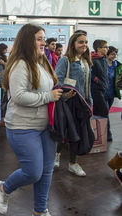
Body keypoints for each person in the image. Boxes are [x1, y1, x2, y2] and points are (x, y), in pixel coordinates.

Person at [0, 24, 62, 216]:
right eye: (38, 38)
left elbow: (47, 89)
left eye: (43, 38)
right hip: (22, 127)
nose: (43, 42)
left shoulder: (42, 62)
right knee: (33, 172)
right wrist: (49, 96)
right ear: (27, 40)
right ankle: (4, 189)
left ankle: (41, 210)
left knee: (46, 171)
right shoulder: (20, 64)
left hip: (46, 126)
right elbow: (19, 96)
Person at [55, 32, 93, 177]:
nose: (84, 45)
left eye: (86, 42)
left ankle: (72, 163)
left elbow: (87, 84)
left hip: (82, 103)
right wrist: (65, 93)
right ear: (73, 44)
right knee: (66, 132)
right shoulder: (65, 60)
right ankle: (56, 153)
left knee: (78, 133)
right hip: (69, 102)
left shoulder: (85, 61)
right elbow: (57, 79)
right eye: (81, 42)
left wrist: (89, 102)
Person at [104, 46, 121, 141]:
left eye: (115, 54)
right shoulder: (102, 64)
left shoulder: (117, 65)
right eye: (112, 54)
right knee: (105, 113)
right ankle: (108, 133)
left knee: (107, 112)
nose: (114, 56)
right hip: (103, 93)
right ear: (107, 54)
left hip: (111, 93)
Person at [91, 39, 109, 118]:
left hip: (103, 87)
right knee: (104, 110)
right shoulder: (92, 59)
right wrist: (95, 79)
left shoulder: (103, 59)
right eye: (105, 47)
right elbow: (88, 72)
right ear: (98, 48)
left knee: (98, 111)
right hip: (96, 89)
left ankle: (100, 129)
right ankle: (104, 129)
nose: (107, 49)